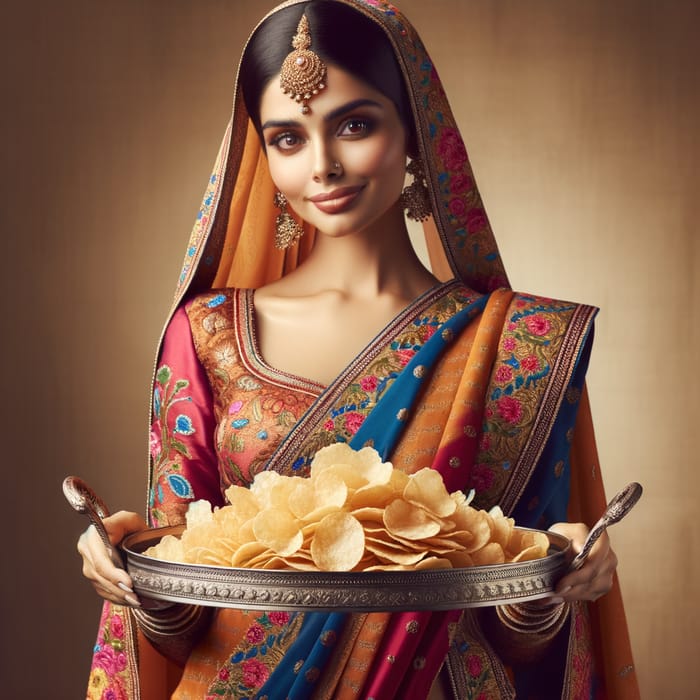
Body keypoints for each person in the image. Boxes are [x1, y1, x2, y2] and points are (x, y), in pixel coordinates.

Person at [77, 1, 639, 698]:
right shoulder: (208, 335)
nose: (324, 166)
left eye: (354, 124)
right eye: (287, 138)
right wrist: (133, 570)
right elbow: (187, 614)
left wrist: (559, 581)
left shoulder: (518, 346)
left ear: (415, 131)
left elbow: (521, 635)